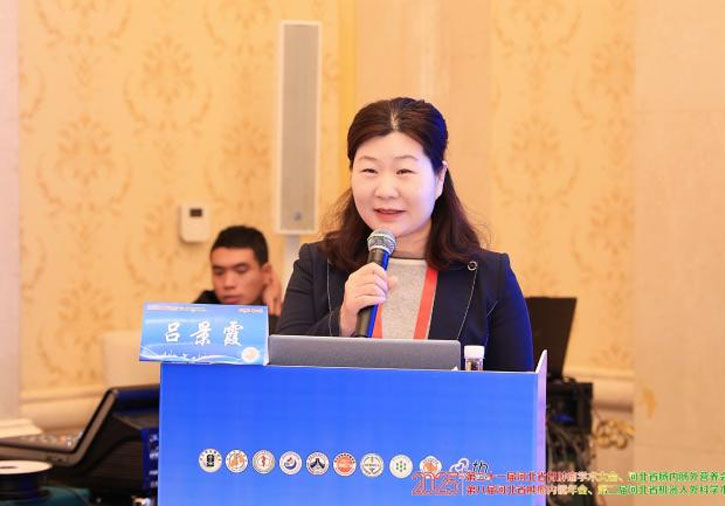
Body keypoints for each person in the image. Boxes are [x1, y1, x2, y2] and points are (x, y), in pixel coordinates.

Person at [276, 97, 533, 371]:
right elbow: (281, 375)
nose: (385, 190)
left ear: (439, 178)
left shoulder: (489, 277)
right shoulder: (317, 264)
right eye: (369, 170)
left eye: (404, 171)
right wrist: (343, 321)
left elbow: (517, 390)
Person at [195, 225, 281, 332]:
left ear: (266, 272)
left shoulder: (289, 316)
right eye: (219, 272)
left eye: (241, 271)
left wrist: (272, 315)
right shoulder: (197, 315)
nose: (228, 283)